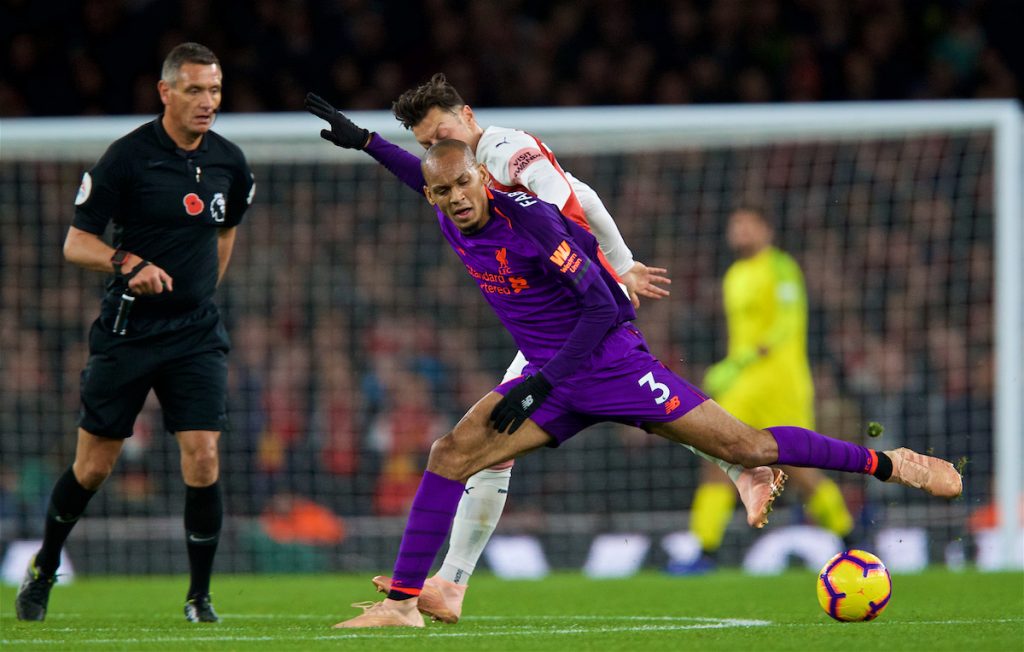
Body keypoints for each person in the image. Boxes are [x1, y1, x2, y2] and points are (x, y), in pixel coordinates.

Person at [308, 121, 961, 628]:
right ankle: (401, 600)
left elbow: (609, 304)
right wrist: (364, 141)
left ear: (484, 177)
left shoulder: (530, 220)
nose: (454, 198)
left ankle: (891, 463)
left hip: (610, 368)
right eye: (441, 191)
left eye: (462, 185)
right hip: (553, 379)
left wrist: (543, 378)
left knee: (749, 447)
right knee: (450, 454)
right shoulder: (449, 211)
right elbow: (418, 169)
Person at [307, 80, 784, 624]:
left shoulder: (507, 153)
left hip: (582, 313)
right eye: (424, 143)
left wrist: (604, 266)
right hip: (560, 318)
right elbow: (439, 182)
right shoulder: (465, 169)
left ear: (466, 114)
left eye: (440, 131)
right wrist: (367, 141)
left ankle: (739, 463)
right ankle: (450, 586)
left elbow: (570, 204)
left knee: (502, 439)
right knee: (487, 456)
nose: (434, 147)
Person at [14, 42, 254, 623]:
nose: (207, 102)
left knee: (203, 458)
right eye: (195, 90)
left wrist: (200, 292)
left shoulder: (230, 161)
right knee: (93, 467)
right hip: (129, 333)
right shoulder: (126, 159)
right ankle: (45, 567)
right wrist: (130, 264)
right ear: (166, 92)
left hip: (196, 334)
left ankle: (199, 597)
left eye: (215, 90)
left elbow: (225, 232)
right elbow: (76, 243)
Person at [683, 207, 856, 572]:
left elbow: (786, 325)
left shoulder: (780, 267)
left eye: (748, 223)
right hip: (743, 388)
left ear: (766, 229)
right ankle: (704, 551)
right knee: (715, 459)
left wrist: (739, 360)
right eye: (735, 224)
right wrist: (733, 369)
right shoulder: (733, 275)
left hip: (781, 385)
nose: (740, 230)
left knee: (798, 467)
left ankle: (850, 537)